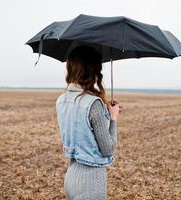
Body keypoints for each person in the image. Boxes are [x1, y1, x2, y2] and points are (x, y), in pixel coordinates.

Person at [55, 45, 123, 200]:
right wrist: (113, 118)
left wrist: (103, 111)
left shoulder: (61, 100)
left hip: (71, 176)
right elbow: (108, 149)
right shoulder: (93, 103)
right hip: (90, 183)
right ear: (93, 70)